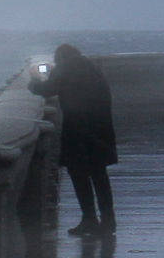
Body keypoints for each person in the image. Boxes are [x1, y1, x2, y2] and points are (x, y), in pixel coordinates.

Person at [30, 43, 117, 236]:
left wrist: (35, 80)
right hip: (100, 129)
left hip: (78, 131)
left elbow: (47, 90)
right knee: (99, 174)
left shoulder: (65, 68)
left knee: (78, 174)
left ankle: (89, 219)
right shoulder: (90, 67)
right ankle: (109, 221)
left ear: (60, 58)